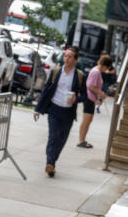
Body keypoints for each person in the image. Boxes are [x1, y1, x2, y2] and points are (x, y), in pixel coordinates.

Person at [34, 46, 87, 177]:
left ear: (75, 60)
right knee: (53, 136)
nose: (67, 59)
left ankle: (52, 162)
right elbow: (46, 91)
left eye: (70, 57)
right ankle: (49, 163)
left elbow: (85, 95)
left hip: (68, 112)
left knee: (62, 139)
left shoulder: (80, 76)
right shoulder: (55, 72)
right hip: (54, 109)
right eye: (65, 56)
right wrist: (38, 109)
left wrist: (76, 99)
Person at [77, 55, 113, 148]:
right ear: (105, 66)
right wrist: (101, 93)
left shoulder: (96, 71)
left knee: (88, 120)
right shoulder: (96, 72)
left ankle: (82, 140)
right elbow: (90, 86)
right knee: (86, 119)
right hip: (89, 98)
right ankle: (81, 140)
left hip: (92, 98)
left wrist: (98, 97)